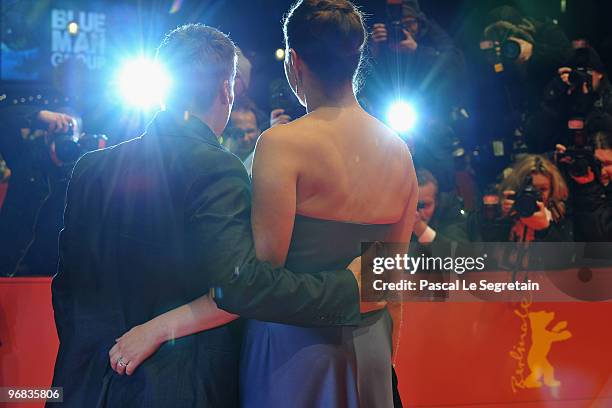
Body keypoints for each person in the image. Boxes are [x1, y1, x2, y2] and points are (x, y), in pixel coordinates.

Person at [111, 1, 417, 407]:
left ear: (294, 62)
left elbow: (254, 284)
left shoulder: (281, 145)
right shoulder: (400, 152)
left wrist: (157, 328)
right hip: (373, 352)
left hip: (291, 354)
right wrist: (380, 358)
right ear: (356, 60)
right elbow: (390, 285)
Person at [50, 23, 368, 408]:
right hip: (176, 390)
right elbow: (240, 287)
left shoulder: (90, 168)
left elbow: (66, 291)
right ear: (226, 89)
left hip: (81, 386)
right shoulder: (216, 168)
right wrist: (354, 286)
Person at [498, 155, 570, 242]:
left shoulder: (559, 214)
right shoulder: (510, 210)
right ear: (517, 187)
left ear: (552, 190)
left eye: (542, 189)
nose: (534, 195)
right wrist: (503, 218)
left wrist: (545, 230)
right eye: (529, 189)